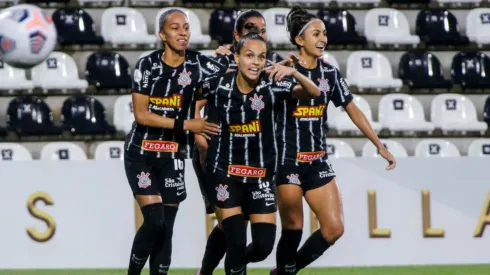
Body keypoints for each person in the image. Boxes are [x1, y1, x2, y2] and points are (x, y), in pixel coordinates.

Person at [271, 6, 397, 275]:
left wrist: (379, 144)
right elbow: (304, 93)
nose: (323, 39)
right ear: (299, 40)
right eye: (316, 33)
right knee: (293, 228)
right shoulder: (283, 72)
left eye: (324, 34)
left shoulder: (330, 73)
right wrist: (293, 71)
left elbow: (352, 108)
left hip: (317, 161)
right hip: (288, 161)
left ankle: (285, 272)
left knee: (333, 229)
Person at [199, 29, 321, 275]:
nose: (255, 62)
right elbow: (188, 98)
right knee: (235, 239)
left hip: (261, 177)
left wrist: (295, 72)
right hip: (225, 173)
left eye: (261, 57)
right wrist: (194, 126)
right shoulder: (217, 84)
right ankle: (209, 270)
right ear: (236, 57)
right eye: (249, 55)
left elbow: (314, 93)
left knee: (263, 247)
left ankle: (226, 266)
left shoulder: (273, 85)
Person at [123, 9, 227, 275]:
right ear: (162, 34)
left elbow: (235, 74)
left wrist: (232, 56)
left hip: (174, 156)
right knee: (155, 219)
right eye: (175, 27)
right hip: (142, 152)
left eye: (186, 27)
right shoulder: (147, 66)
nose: (182, 32)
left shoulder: (199, 64)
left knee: (166, 226)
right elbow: (142, 115)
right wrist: (187, 125)